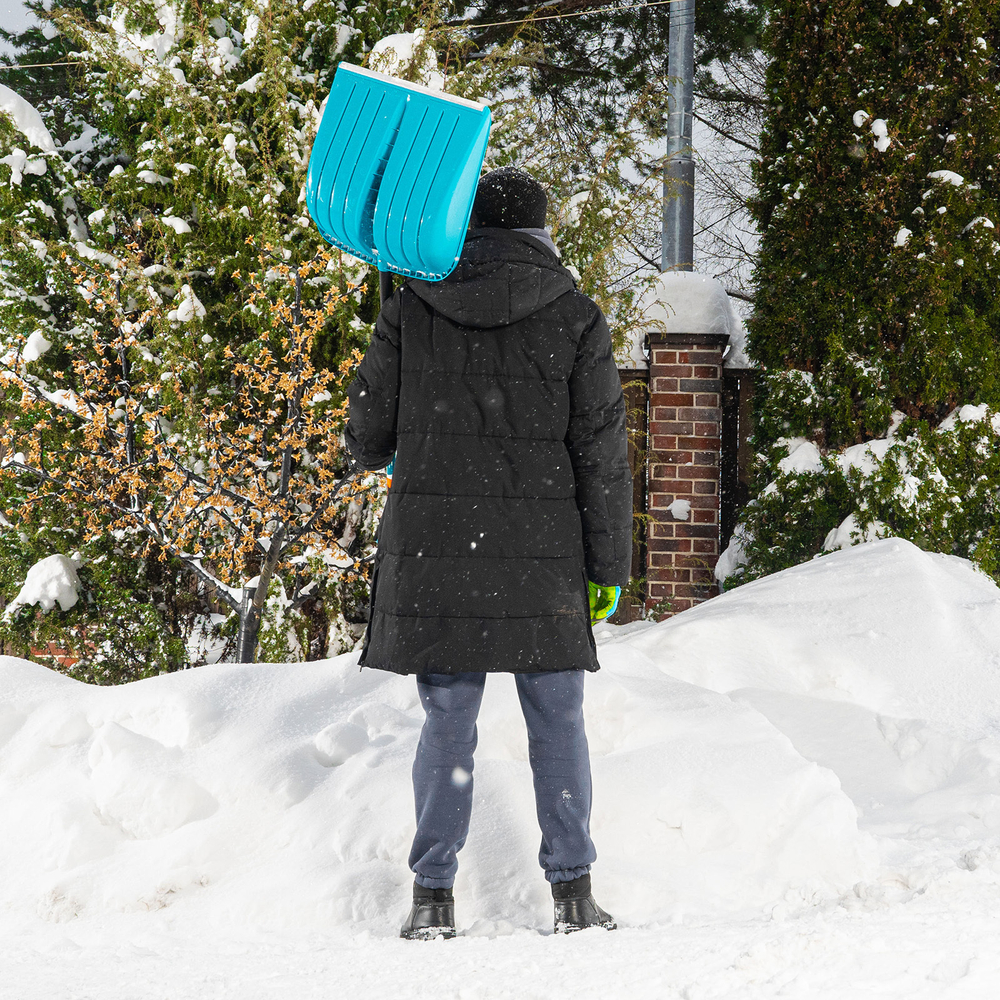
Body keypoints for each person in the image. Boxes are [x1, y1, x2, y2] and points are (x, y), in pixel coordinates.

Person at [345, 166, 632, 939]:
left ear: (460, 228)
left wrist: (391, 331)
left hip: (439, 554)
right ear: (541, 233)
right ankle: (573, 896)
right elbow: (602, 455)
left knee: (448, 724)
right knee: (557, 720)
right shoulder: (577, 318)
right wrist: (610, 569)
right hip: (544, 557)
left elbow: (366, 440)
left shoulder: (411, 309)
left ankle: (432, 899)